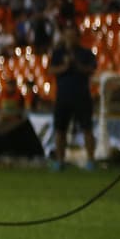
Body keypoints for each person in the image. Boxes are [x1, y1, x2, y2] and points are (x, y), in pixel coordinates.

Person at [49, 17, 98, 170]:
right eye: (67, 35)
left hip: (81, 96)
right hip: (63, 96)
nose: (70, 38)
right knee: (60, 130)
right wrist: (65, 66)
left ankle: (91, 160)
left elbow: (91, 69)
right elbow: (51, 70)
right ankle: (60, 160)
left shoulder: (86, 53)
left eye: (72, 35)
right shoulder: (58, 53)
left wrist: (75, 63)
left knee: (87, 128)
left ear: (78, 37)